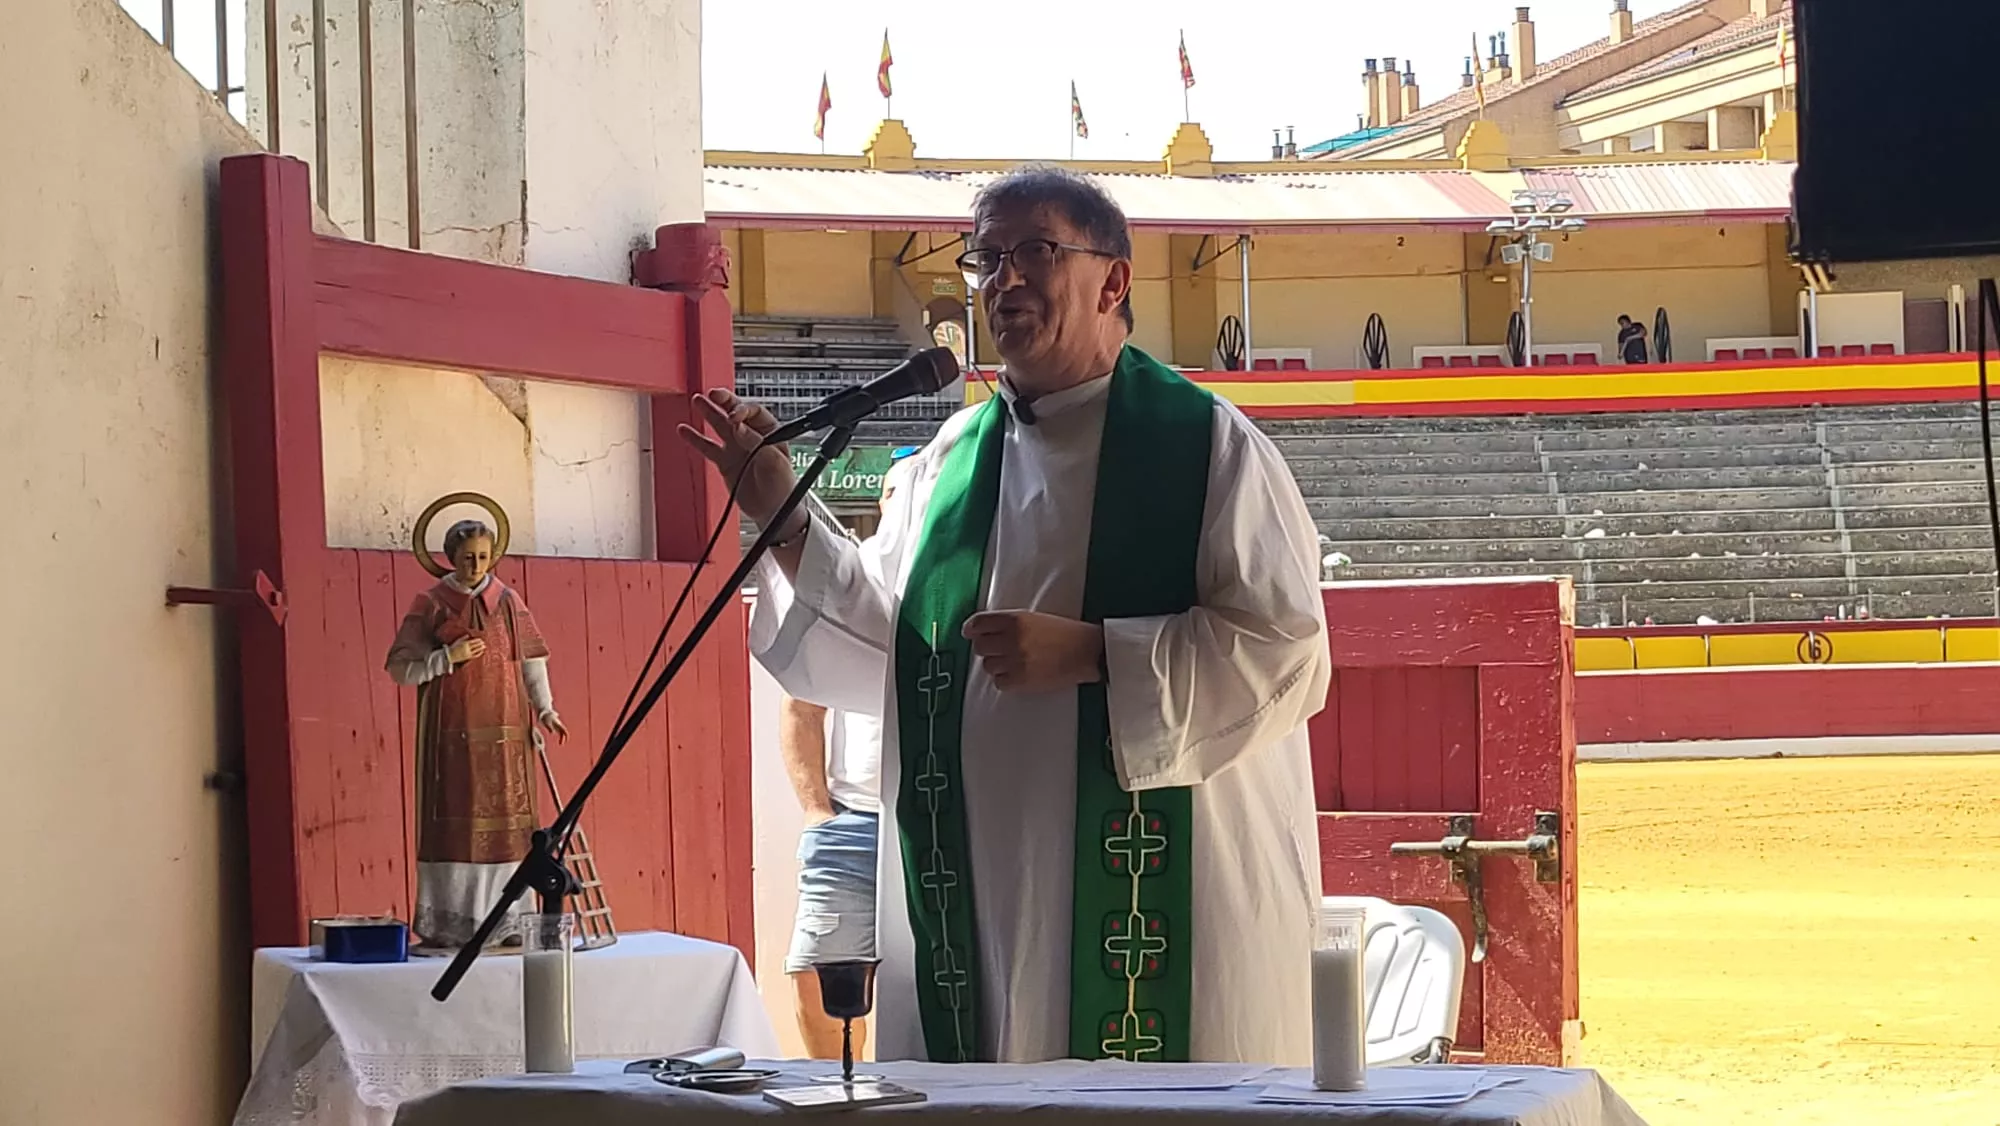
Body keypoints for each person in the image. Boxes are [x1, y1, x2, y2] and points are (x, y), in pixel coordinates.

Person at [680, 165, 1329, 1066]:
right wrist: (782, 513)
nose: (1004, 279)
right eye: (987, 259)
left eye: (1036, 251)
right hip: (981, 889)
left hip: (1165, 902)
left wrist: (1098, 654)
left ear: (1113, 280)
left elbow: (1286, 651)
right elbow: (891, 647)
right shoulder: (951, 460)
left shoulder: (1211, 448)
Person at [780, 454, 914, 1058]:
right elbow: (802, 706)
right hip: (854, 818)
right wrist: (817, 811)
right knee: (815, 974)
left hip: (940, 819)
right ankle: (837, 1091)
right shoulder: (854, 580)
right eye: (895, 491)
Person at [385, 519, 567, 949]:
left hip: (506, 734)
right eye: (467, 557)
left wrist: (545, 708)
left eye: (484, 557)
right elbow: (400, 668)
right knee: (458, 822)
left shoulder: (507, 601)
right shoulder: (432, 603)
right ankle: (455, 922)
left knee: (509, 827)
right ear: (451, 557)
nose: (476, 565)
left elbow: (531, 661)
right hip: (452, 735)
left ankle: (508, 920)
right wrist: (446, 657)